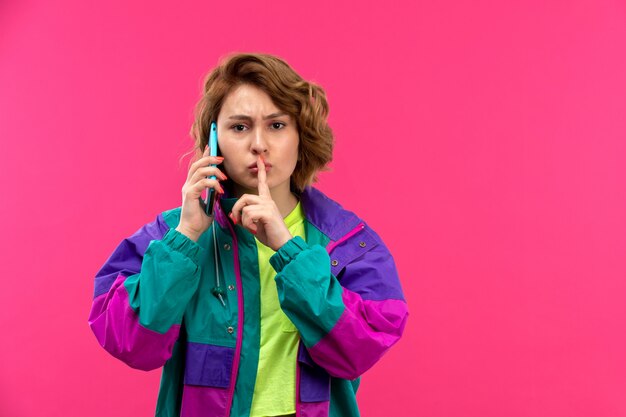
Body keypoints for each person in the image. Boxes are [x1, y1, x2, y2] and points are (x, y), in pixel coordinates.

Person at [88, 52, 408, 417]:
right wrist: (188, 233)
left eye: (276, 125)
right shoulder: (173, 237)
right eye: (239, 127)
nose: (259, 144)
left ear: (301, 135)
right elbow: (131, 343)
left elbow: (360, 349)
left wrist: (288, 249)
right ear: (214, 142)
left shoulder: (348, 242)